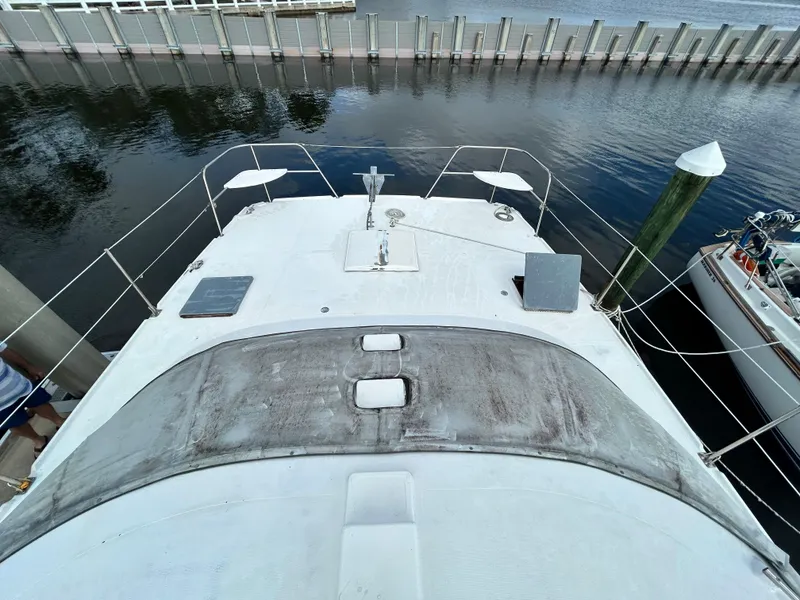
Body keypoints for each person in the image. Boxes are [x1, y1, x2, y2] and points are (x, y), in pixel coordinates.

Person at [0, 342, 65, 456]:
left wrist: (29, 367)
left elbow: (5, 350)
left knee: (40, 404)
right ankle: (38, 440)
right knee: (15, 425)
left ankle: (59, 421)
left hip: (18, 385)